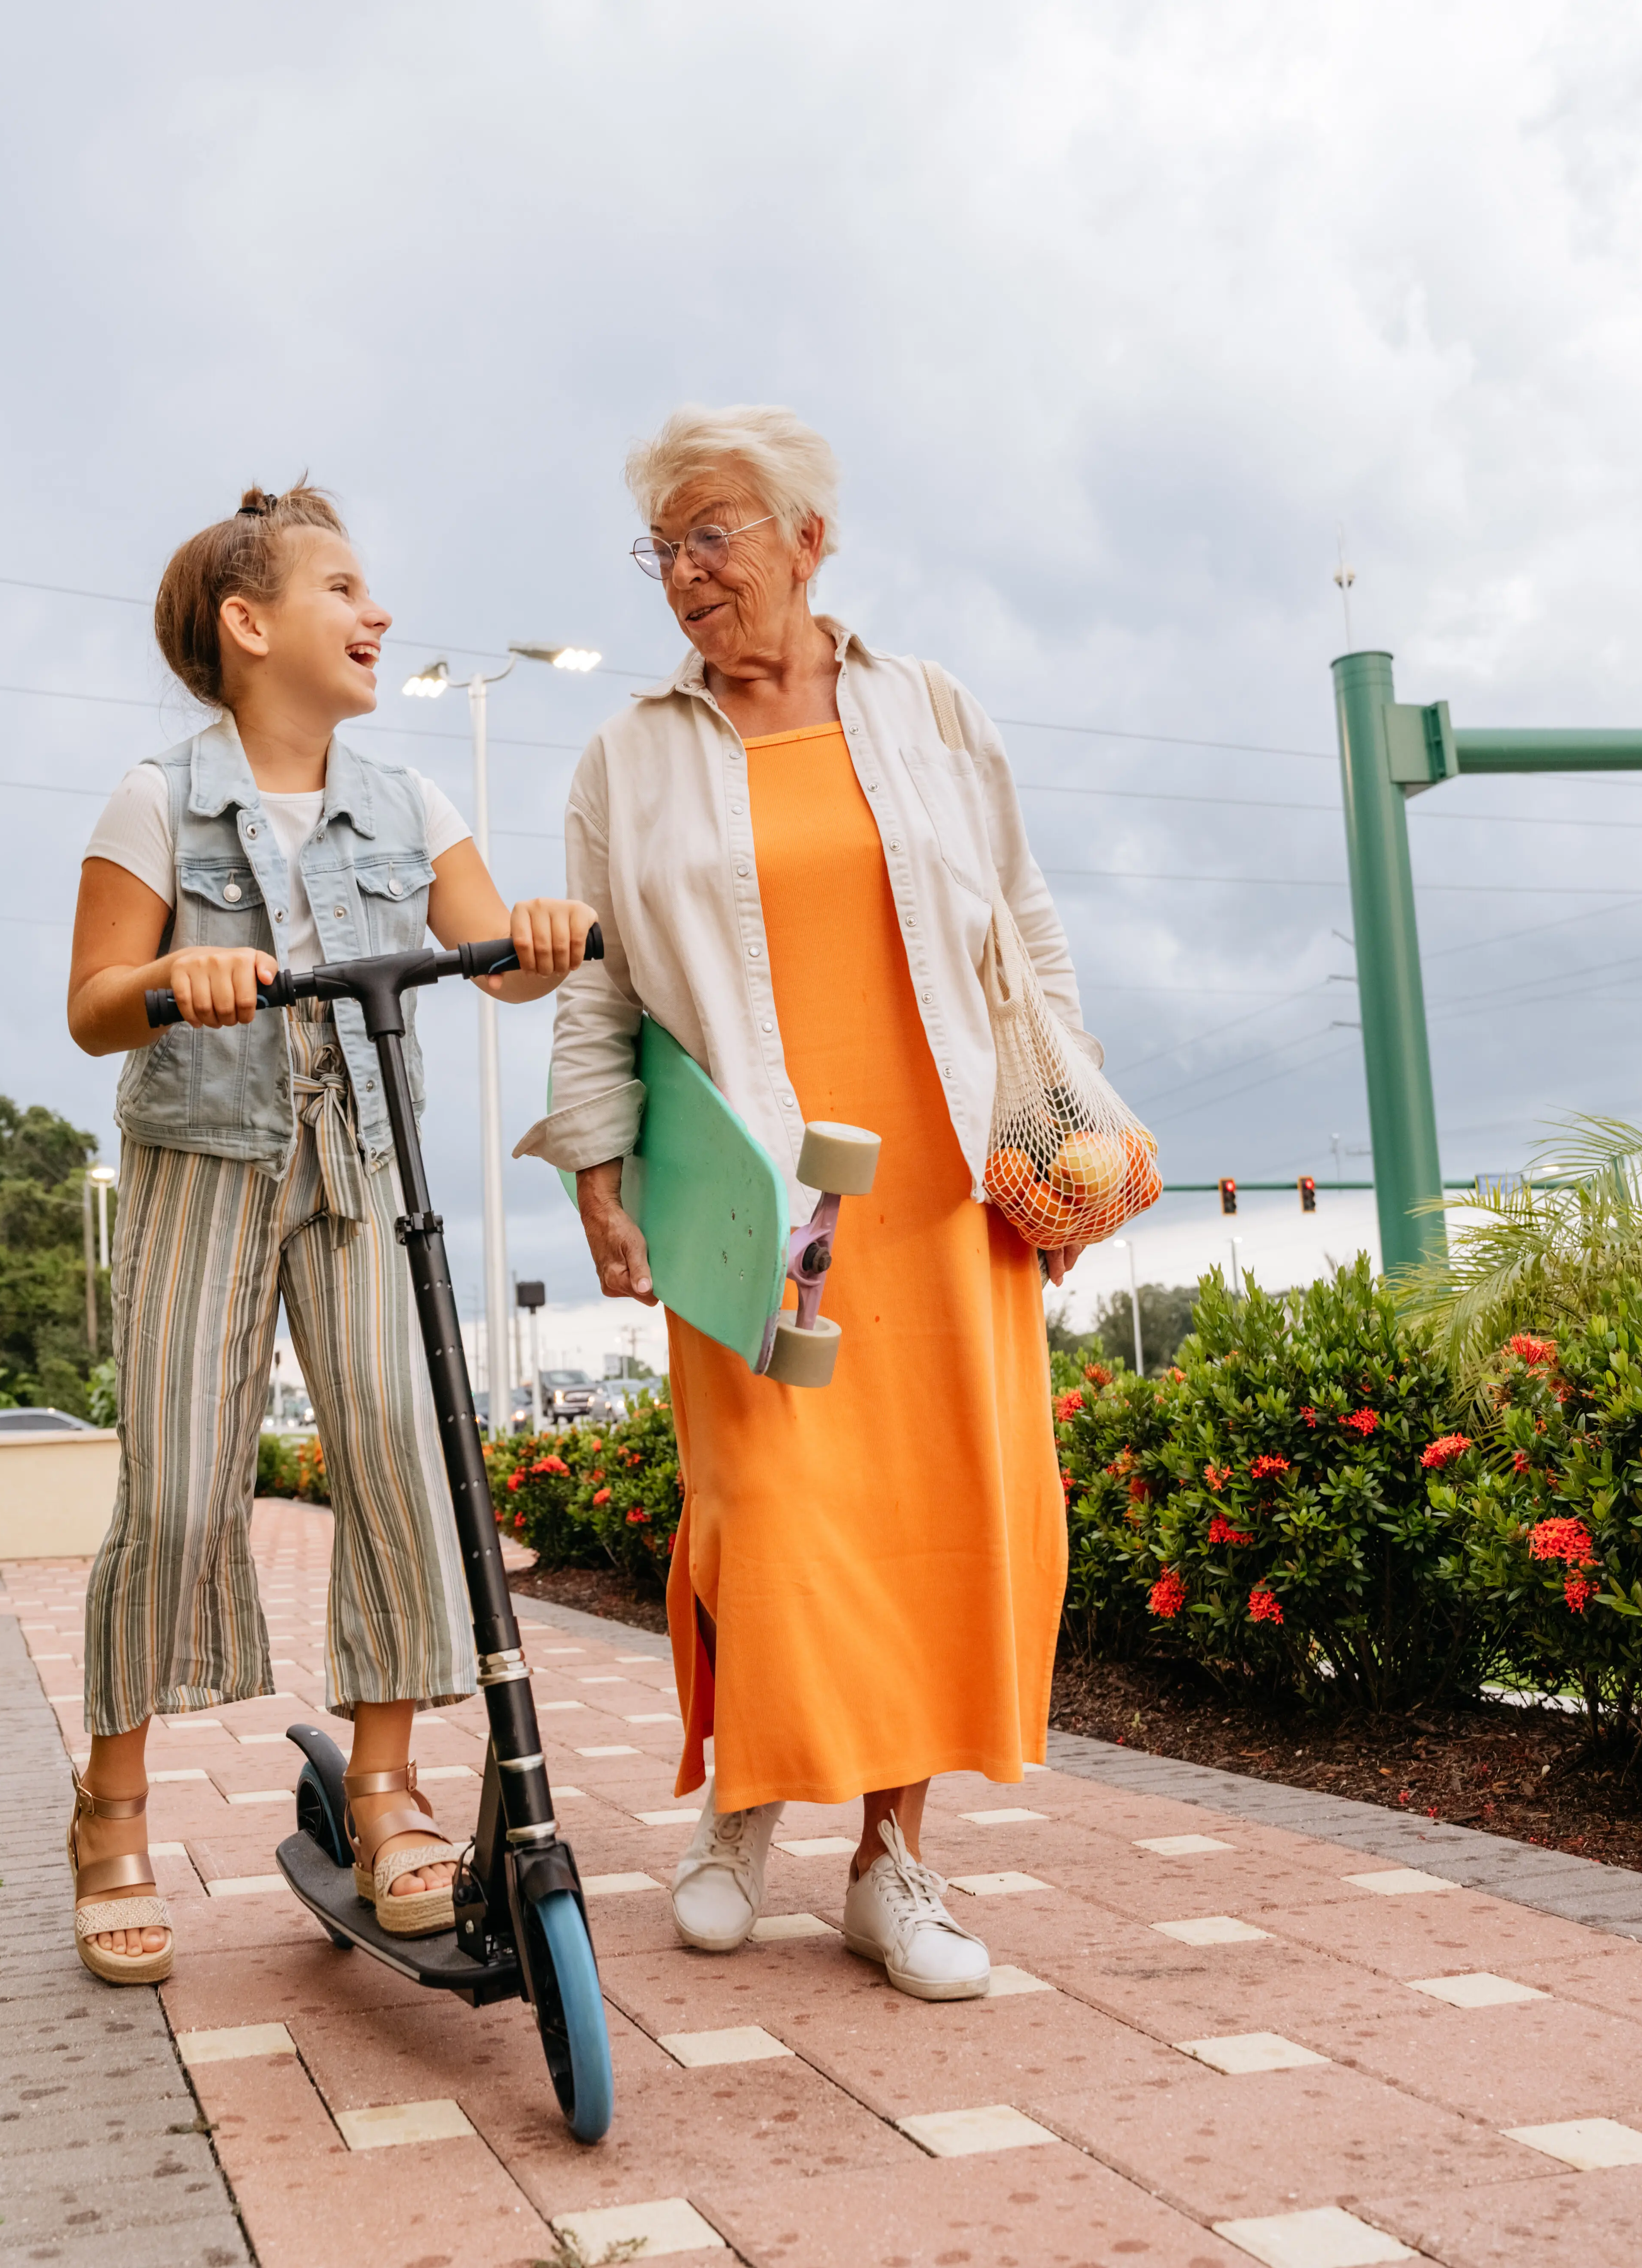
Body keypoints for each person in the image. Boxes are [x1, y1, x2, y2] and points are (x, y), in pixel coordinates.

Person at [517, 408, 1093, 2001]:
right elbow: (599, 988)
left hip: (944, 1182)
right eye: (664, 548)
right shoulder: (628, 754)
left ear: (808, 539)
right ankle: (745, 1799)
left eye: (715, 535)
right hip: (747, 1196)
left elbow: (1026, 928)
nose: (686, 573)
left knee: (930, 1515)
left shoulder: (932, 709)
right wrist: (598, 1173)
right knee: (765, 1509)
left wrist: (1056, 1139)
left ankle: (891, 1862)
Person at [62, 484, 596, 1983]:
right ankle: (112, 1809)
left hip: (363, 1157)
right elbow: (93, 1003)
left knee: (400, 1461)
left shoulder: (410, 803)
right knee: (179, 1490)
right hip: (205, 1161)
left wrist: (542, 938)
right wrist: (176, 980)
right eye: (344, 591)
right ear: (250, 626)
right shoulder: (157, 799)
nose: (379, 616)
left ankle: (383, 1789)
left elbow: (496, 962)